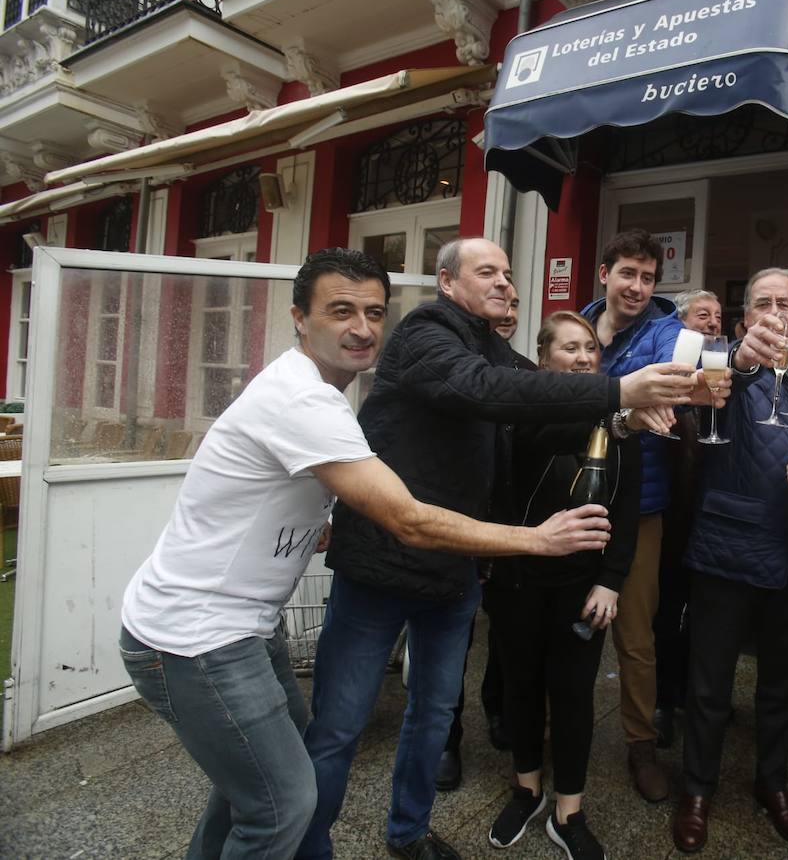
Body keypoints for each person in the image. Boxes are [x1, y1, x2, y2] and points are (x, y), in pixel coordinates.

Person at [117, 248, 612, 860]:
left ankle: (403, 834)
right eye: (341, 311)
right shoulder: (376, 362)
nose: (363, 328)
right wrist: (538, 537)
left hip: (289, 616)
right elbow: (410, 510)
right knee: (302, 774)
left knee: (273, 785)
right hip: (210, 630)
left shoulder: (337, 390)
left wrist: (622, 410)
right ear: (299, 317)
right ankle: (310, 849)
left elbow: (524, 405)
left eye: (374, 312)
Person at [298, 238, 697, 860]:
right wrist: (619, 393)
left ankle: (407, 833)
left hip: (455, 561)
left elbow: (535, 415)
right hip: (384, 560)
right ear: (447, 282)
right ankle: (307, 847)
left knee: (432, 715)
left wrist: (619, 422)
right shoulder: (428, 334)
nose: (507, 284)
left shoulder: (492, 347)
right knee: (338, 727)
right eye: (489, 272)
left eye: (510, 274)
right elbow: (485, 391)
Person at [671, 268, 788, 854]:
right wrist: (737, 359)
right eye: (760, 303)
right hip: (726, 545)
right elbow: (691, 383)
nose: (771, 313)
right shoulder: (720, 363)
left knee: (782, 683)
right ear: (744, 319)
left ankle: (773, 784)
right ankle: (697, 789)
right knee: (709, 681)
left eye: (782, 304)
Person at [484, 311, 646, 860]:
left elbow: (625, 516)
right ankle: (526, 789)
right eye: (569, 349)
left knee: (575, 697)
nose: (582, 358)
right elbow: (536, 444)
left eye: (590, 350)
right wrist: (616, 417)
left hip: (582, 587)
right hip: (518, 580)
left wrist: (612, 581)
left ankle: (568, 810)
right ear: (544, 358)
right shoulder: (521, 416)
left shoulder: (619, 427)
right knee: (521, 688)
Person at [579, 229, 687, 802]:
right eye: (628, 274)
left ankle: (641, 744)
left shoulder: (666, 331)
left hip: (639, 506)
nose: (638, 287)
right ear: (605, 274)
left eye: (648, 277)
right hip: (572, 501)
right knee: (564, 624)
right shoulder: (575, 328)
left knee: (636, 637)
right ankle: (554, 730)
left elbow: (683, 366)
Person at [435, 284, 531, 792]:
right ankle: (445, 738)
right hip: (459, 522)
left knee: (506, 634)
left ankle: (499, 712)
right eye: (501, 304)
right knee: (452, 639)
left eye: (515, 306)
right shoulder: (454, 364)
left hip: (510, 523)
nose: (507, 313)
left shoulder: (524, 371)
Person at [653, 289, 722, 748]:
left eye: (719, 316)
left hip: (711, 515)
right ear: (682, 324)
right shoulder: (671, 370)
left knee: (703, 613)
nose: (714, 322)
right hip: (673, 513)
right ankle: (662, 698)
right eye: (704, 315)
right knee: (667, 608)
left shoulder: (725, 373)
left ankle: (692, 694)